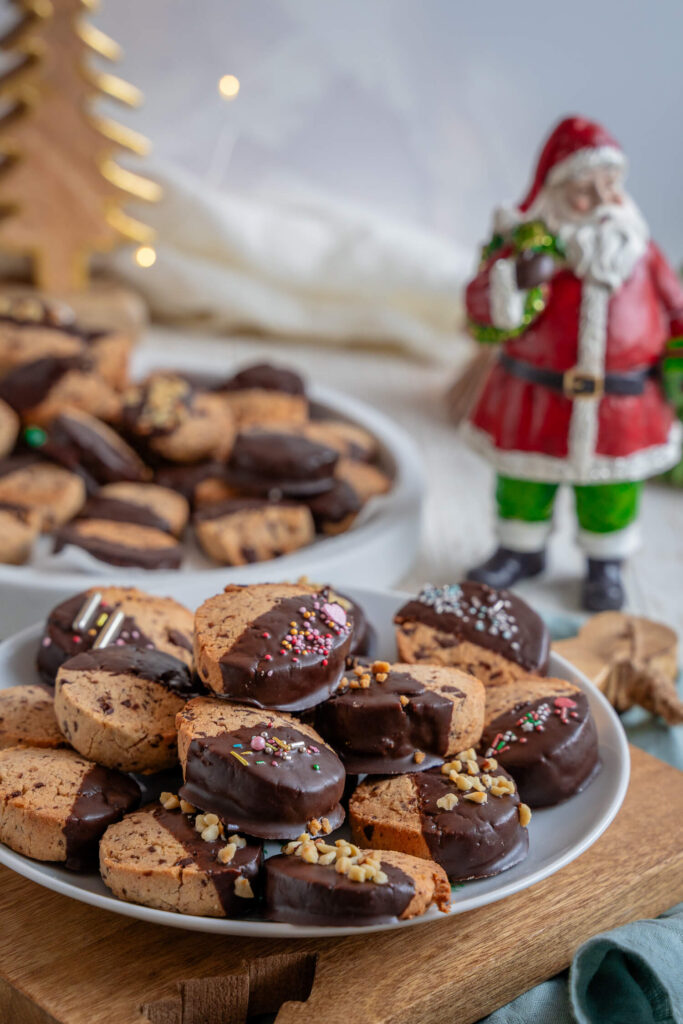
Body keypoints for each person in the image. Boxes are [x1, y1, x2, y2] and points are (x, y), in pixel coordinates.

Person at [463, 115, 683, 611]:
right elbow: (477, 306)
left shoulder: (640, 252)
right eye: (586, 190)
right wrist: (514, 279)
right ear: (557, 193)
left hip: (621, 404)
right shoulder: (525, 248)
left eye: (611, 185)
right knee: (524, 480)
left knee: (612, 489)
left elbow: (676, 310)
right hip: (536, 396)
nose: (603, 200)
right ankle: (520, 549)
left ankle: (605, 566)